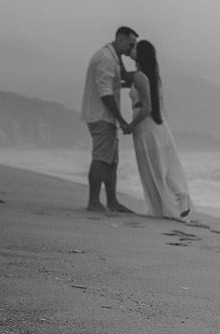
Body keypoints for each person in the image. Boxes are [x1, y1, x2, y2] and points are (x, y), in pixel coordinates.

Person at [128, 40, 193, 220]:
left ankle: (165, 207)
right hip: (160, 127)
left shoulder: (140, 77)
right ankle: (180, 201)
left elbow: (146, 107)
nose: (131, 50)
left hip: (147, 128)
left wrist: (129, 126)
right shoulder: (151, 76)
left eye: (134, 48)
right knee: (165, 167)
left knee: (154, 168)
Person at [81, 26, 138, 213]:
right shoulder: (106, 59)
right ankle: (94, 201)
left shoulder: (112, 55)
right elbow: (105, 93)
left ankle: (112, 201)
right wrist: (121, 120)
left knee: (111, 160)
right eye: (130, 44)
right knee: (100, 159)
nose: (132, 49)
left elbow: (120, 78)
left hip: (103, 116)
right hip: (101, 115)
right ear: (120, 39)